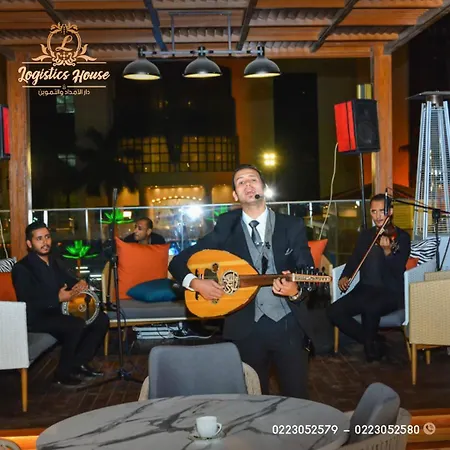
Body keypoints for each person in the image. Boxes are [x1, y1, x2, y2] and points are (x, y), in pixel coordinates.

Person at [169, 164, 316, 399]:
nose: (248, 184)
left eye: (253, 179)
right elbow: (177, 263)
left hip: (288, 324)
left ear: (264, 188)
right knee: (251, 401)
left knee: (297, 400)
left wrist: (295, 291)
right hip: (245, 328)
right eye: (241, 182)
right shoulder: (226, 226)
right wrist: (196, 284)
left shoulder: (292, 225)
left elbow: (308, 273)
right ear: (235, 195)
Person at [12, 221, 110, 387]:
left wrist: (79, 284)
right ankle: (62, 374)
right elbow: (27, 301)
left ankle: (79, 363)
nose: (45, 242)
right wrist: (57, 298)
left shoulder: (54, 261)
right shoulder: (21, 268)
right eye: (39, 239)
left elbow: (68, 280)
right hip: (36, 317)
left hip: (58, 311)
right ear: (29, 243)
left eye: (47, 237)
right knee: (75, 324)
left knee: (101, 319)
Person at [327, 193, 411, 362]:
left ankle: (371, 346)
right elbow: (355, 259)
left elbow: (397, 270)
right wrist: (345, 276)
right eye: (373, 211)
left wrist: (388, 252)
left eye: (382, 211)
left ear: (390, 211)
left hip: (390, 291)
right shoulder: (366, 235)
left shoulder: (402, 237)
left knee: (370, 308)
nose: (378, 216)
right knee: (333, 311)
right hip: (365, 289)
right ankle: (371, 339)